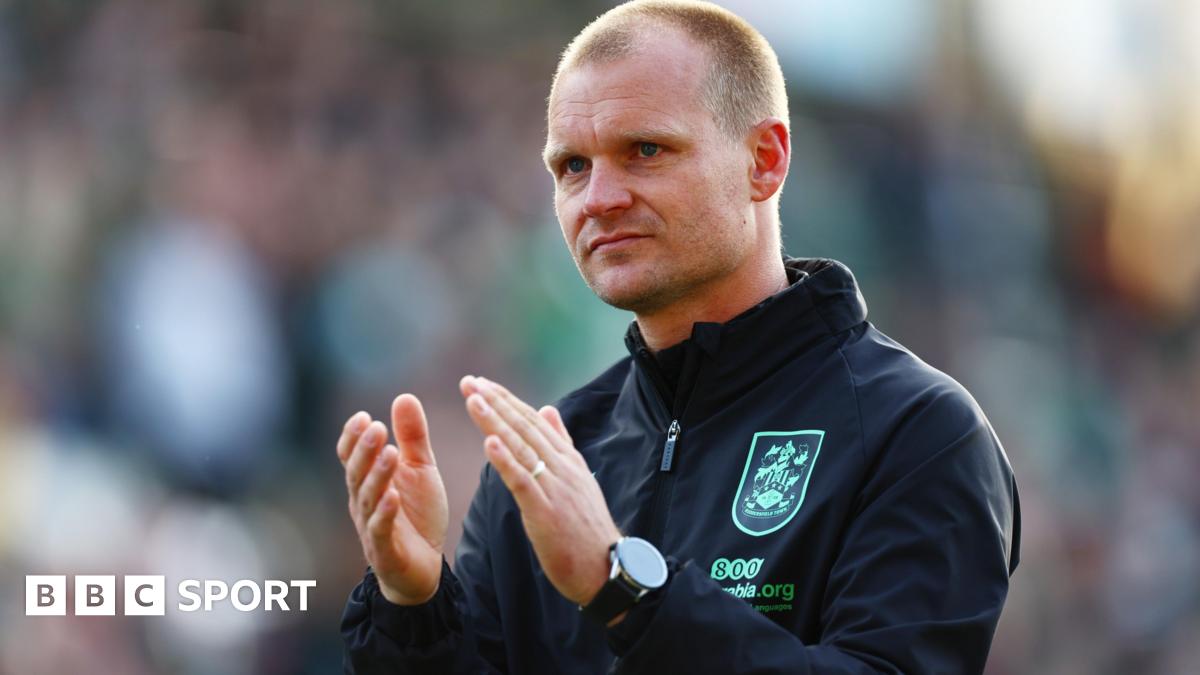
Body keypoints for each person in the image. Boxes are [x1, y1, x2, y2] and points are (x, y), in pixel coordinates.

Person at [338, 1, 1020, 673]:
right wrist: (414, 607)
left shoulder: (918, 431)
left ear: (765, 160)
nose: (599, 197)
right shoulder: (550, 458)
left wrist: (623, 590)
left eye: (645, 150)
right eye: (572, 165)